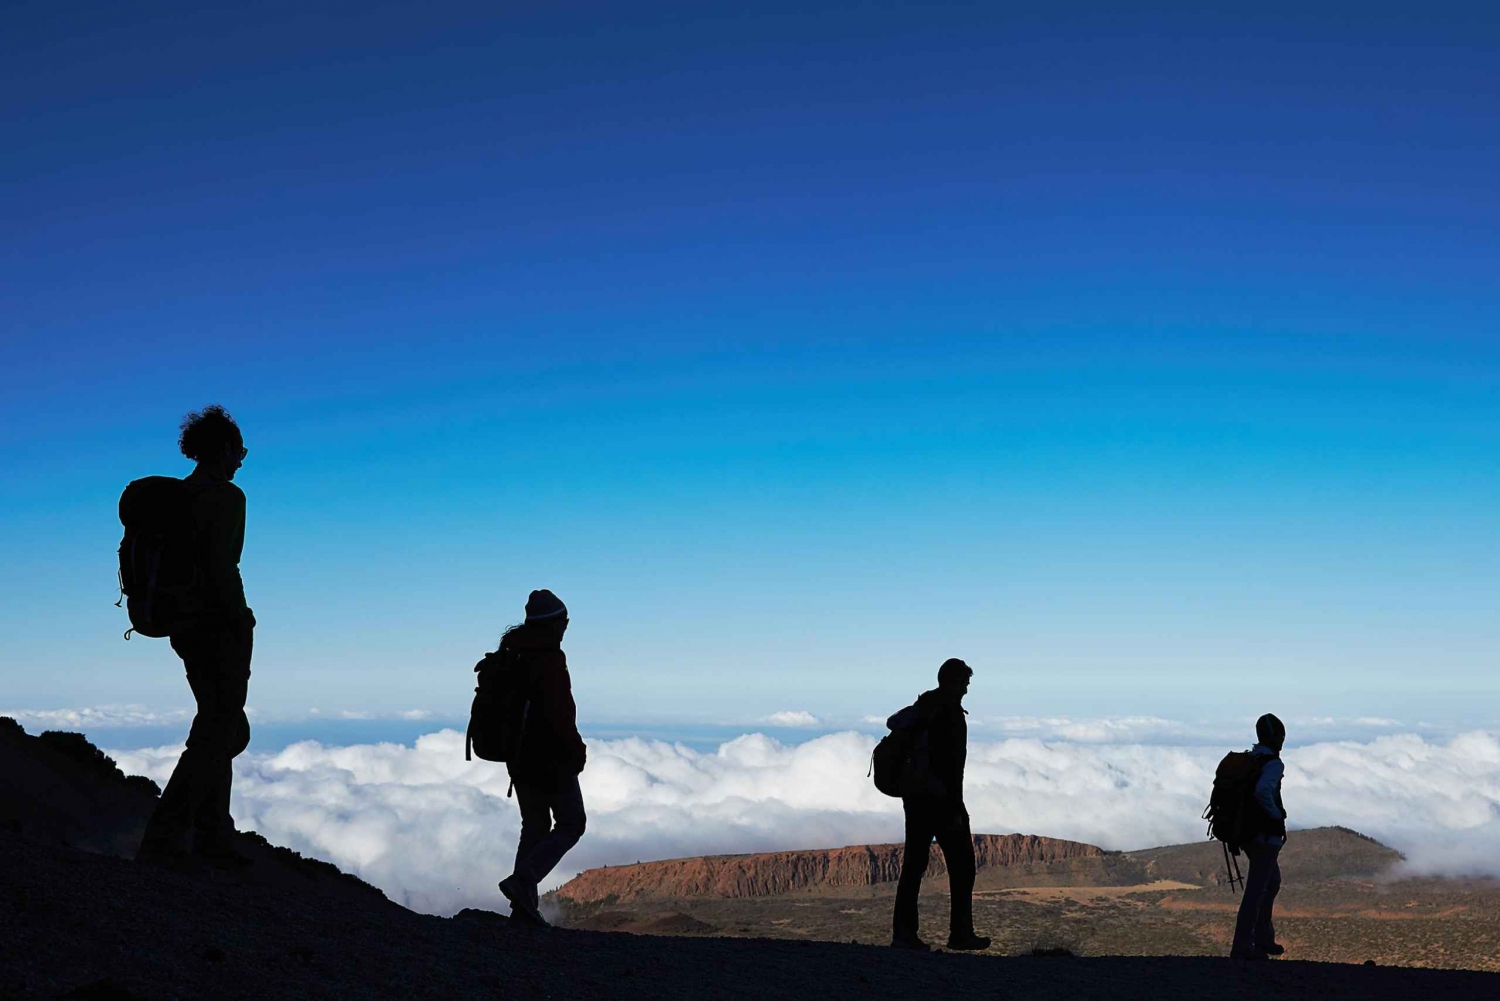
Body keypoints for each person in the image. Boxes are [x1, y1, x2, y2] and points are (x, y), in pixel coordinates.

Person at [136, 405, 255, 869]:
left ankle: (212, 838)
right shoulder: (226, 497)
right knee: (219, 731)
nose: (241, 459)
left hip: (183, 628)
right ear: (223, 449)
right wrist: (241, 618)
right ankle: (165, 840)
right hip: (218, 626)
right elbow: (224, 566)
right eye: (239, 450)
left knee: (221, 726)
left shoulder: (178, 498)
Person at [495, 589, 588, 926]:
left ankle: (523, 909)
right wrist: (576, 751)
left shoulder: (514, 652)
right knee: (572, 823)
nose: (566, 627)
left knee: (534, 825)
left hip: (518, 759)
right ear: (553, 623)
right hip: (550, 758)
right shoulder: (548, 658)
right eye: (564, 621)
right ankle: (523, 881)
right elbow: (559, 713)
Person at [890, 658, 991, 952]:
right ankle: (960, 934)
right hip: (941, 802)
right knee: (963, 867)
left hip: (915, 800)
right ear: (953, 682)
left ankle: (903, 934)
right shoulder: (947, 713)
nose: (967, 690)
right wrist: (956, 807)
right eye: (965, 684)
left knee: (913, 866)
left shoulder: (924, 707)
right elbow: (950, 767)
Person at [1231, 713, 1288, 960]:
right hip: (1264, 837)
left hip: (1248, 835)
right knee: (1256, 890)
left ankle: (1263, 938)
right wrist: (1277, 815)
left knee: (1271, 882)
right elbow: (1263, 792)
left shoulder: (1252, 759)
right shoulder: (1273, 764)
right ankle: (1243, 945)